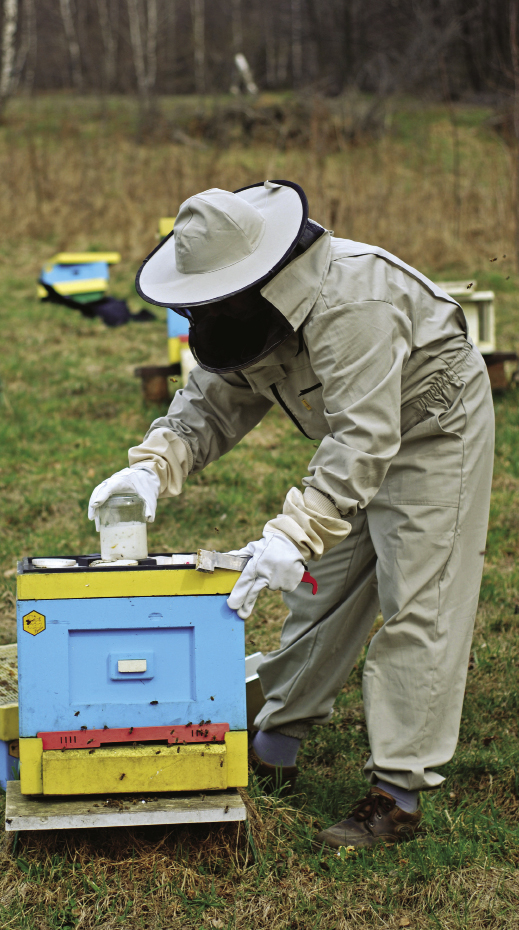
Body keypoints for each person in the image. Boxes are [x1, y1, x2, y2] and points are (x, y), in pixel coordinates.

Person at [88, 181, 494, 848]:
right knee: (322, 593)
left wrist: (293, 532)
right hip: (353, 437)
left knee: (419, 600)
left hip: (431, 425)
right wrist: (150, 466)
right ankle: (274, 745)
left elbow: (366, 438)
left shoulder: (349, 302)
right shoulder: (244, 304)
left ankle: (396, 795)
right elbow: (213, 400)